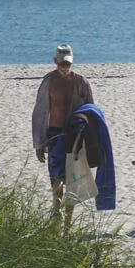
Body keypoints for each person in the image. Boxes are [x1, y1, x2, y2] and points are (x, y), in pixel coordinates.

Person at [31, 44, 95, 231]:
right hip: (54, 135)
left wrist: (91, 140)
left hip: (75, 136)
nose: (65, 67)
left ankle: (67, 224)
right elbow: (40, 113)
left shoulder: (81, 82)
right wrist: (39, 143)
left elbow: (91, 110)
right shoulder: (48, 82)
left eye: (68, 63)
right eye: (61, 63)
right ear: (55, 61)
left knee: (72, 181)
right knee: (56, 180)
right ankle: (56, 216)